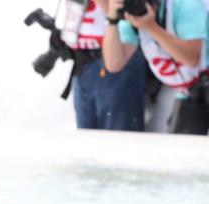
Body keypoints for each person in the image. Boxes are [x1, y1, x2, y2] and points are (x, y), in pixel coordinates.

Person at [102, 0, 209, 134]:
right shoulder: (132, 13)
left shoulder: (186, 4)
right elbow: (114, 64)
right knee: (182, 151)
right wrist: (112, 21)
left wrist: (151, 27)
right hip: (190, 92)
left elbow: (191, 58)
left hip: (199, 82)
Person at [69, 0, 147, 130]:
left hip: (116, 59)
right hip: (82, 62)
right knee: (87, 142)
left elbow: (123, 12)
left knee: (118, 142)